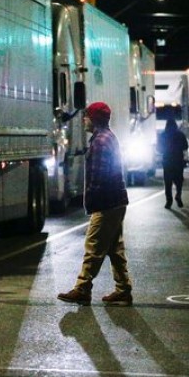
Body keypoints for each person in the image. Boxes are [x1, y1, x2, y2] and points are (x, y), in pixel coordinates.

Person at [57, 102, 133, 306]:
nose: (84, 119)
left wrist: (91, 199)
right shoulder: (108, 137)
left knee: (93, 245)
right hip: (116, 200)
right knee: (114, 248)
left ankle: (82, 289)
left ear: (94, 119)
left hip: (106, 202)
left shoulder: (100, 141)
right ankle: (123, 289)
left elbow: (99, 176)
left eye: (87, 116)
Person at [159, 116, 189, 209]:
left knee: (168, 182)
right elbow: (185, 146)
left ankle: (169, 201)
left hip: (167, 161)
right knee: (179, 180)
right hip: (178, 161)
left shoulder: (163, 135)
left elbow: (158, 149)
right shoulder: (180, 135)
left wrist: (165, 150)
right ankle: (178, 195)